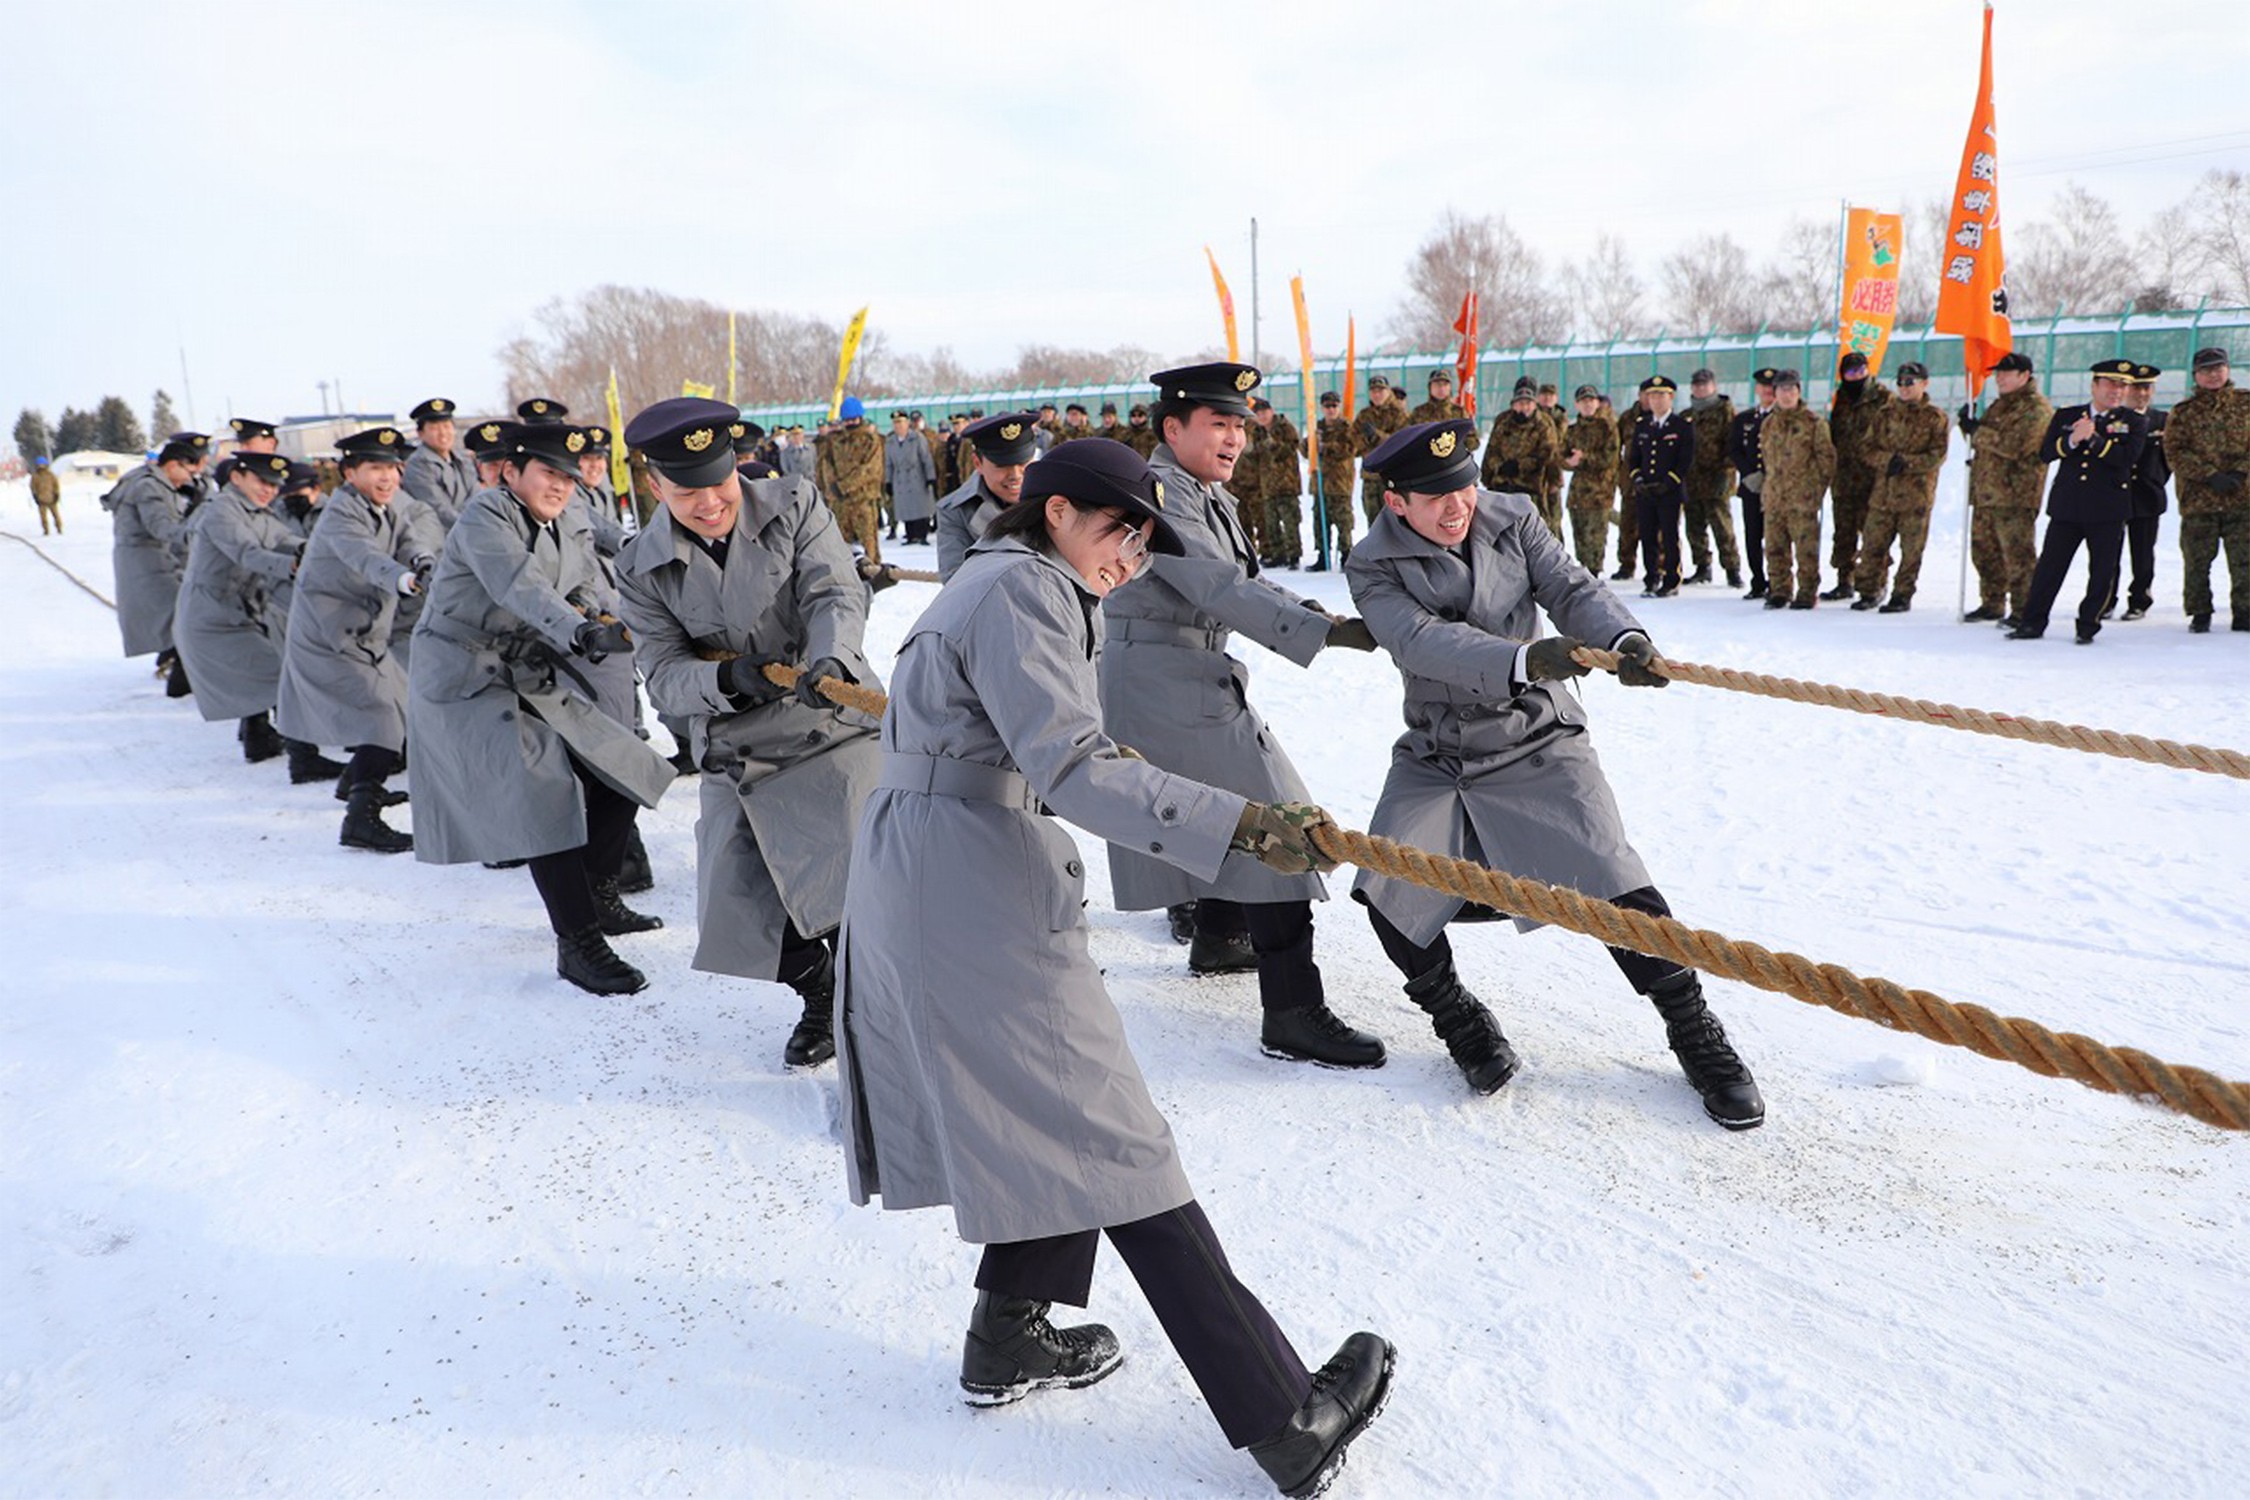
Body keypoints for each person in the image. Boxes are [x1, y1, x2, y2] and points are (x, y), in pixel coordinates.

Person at [837, 438, 1394, 1497]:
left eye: (1145, 540)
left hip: (941, 863)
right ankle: (1285, 1417)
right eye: (1115, 529)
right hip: (965, 877)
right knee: (1110, 1132)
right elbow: (1074, 766)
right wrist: (1242, 826)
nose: (1130, 555)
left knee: (1047, 1110)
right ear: (1053, 513)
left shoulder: (999, 581)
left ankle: (1007, 1337)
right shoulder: (1025, 592)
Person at [1346, 418, 1766, 1129]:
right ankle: (1459, 1017)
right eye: (1435, 497)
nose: (1457, 507)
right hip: (1443, 752)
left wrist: (1624, 638)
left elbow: (1570, 587)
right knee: (1387, 889)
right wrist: (1523, 659)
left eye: (1464, 487)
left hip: (1535, 736)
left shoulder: (1514, 517)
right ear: (1396, 503)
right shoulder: (1372, 564)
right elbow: (1421, 642)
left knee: (1615, 881)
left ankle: (1693, 1030)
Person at [1097, 363, 1386, 1065]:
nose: (1235, 439)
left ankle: (1222, 937)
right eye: (1219, 424)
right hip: (1165, 680)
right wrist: (1324, 634)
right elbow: (1217, 584)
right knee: (1280, 821)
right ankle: (1293, 1012)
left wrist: (1313, 613)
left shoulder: (1200, 491)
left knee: (1222, 802)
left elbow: (1247, 578)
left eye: (1240, 425)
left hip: (1184, 672)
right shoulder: (1160, 491)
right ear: (1174, 428)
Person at [618, 396, 883, 1061]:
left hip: (829, 724)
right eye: (686, 492)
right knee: (742, 910)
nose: (709, 503)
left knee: (853, 889)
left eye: (719, 483)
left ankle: (864, 1011)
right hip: (737, 746)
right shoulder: (639, 566)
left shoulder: (793, 502)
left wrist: (831, 658)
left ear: (737, 466)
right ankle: (818, 987)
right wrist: (730, 681)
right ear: (655, 487)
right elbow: (664, 674)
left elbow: (834, 590)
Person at [407, 420, 674, 992]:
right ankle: (576, 942)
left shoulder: (567, 518)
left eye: (569, 477)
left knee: (623, 764)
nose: (561, 486)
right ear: (511, 472)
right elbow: (520, 587)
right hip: (464, 677)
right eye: (550, 472)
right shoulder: (487, 518)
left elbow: (574, 583)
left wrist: (598, 616)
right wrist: (578, 631)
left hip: (525, 666)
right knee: (540, 790)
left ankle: (600, 894)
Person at [276, 426, 429, 852]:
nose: (388, 478)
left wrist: (424, 560)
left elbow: (408, 538)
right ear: (349, 473)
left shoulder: (384, 504)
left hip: (365, 632)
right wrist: (405, 578)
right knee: (382, 720)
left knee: (399, 708)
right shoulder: (342, 514)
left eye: (393, 467)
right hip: (329, 634)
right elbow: (366, 558)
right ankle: (360, 821)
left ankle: (357, 782)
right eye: (375, 468)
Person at [172, 449, 333, 781]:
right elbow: (248, 553)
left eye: (275, 484)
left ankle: (259, 741)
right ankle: (304, 760)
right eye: (262, 481)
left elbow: (287, 540)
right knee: (279, 675)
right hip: (212, 617)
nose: (269, 490)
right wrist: (292, 565)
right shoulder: (221, 512)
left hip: (238, 611)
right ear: (236, 477)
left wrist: (321, 552)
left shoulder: (257, 511)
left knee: (266, 672)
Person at [2007, 359, 2148, 644]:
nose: (2116, 391)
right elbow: (2046, 453)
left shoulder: (2134, 421)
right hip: (2068, 506)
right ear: (2094, 385)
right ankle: (2032, 621)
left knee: (2102, 571)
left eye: (2123, 386)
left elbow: (2126, 459)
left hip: (2108, 508)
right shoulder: (2067, 415)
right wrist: (2072, 440)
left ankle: (2088, 624)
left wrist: (2094, 440)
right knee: (2049, 568)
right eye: (2110, 383)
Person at [102, 431, 204, 693]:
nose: (190, 478)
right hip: (148, 561)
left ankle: (180, 673)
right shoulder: (150, 486)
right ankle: (181, 682)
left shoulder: (151, 481)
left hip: (151, 558)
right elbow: (162, 527)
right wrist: (199, 535)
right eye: (188, 471)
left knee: (178, 615)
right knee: (184, 612)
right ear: (172, 465)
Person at [1956, 352, 2053, 625]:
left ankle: (2024, 610)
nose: (1999, 378)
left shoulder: (2036, 409)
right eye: (1997, 373)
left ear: (2024, 376)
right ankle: (1992, 602)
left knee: (2017, 557)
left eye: (2006, 373)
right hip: (1987, 492)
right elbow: (1985, 442)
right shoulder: (2000, 405)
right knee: (1985, 551)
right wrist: (1970, 427)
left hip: (2015, 495)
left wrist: (1978, 431)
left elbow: (2015, 446)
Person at [1848, 361, 1950, 612]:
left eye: (1910, 382)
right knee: (1873, 546)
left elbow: (1937, 454)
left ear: (1924, 384)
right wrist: (1886, 461)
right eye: (1901, 382)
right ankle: (1869, 590)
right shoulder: (1885, 414)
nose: (1904, 388)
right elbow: (1867, 447)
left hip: (1915, 496)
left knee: (1911, 551)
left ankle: (1902, 594)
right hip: (1883, 494)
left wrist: (1906, 463)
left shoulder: (1934, 418)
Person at [2163, 346, 2250, 633]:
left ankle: (2245, 611)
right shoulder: (2183, 412)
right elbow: (2175, 452)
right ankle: (2199, 611)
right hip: (2200, 499)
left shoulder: (2246, 403)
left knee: (2245, 560)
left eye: (2218, 368)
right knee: (2197, 560)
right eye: (2206, 370)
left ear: (2228, 370)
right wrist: (2210, 475)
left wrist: (2240, 471)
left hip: (2243, 496)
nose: (2213, 375)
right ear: (2195, 375)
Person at [1759, 370, 1835, 610]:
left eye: (1791, 390)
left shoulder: (1813, 423)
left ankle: (1807, 591)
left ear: (1799, 392)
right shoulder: (1769, 423)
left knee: (1806, 550)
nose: (1787, 394)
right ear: (1775, 393)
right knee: (1774, 547)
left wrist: (1814, 490)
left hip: (1802, 498)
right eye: (1782, 390)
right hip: (1774, 497)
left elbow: (1826, 460)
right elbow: (1767, 459)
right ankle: (1780, 589)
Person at [1822, 351, 1891, 598]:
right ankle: (1844, 581)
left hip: (1872, 478)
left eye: (1861, 371)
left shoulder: (1882, 398)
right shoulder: (1839, 399)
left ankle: (1876, 583)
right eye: (1851, 372)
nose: (1857, 376)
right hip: (1844, 478)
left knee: (1874, 535)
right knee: (1843, 533)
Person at [935, 411, 1036, 581]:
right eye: (1003, 465)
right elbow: (959, 584)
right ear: (977, 463)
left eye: (1023, 463)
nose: (1015, 475)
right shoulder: (956, 511)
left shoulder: (1059, 498)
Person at [1625, 375, 1690, 597]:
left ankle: (1671, 578)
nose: (1656, 400)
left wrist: (1669, 482)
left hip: (1669, 491)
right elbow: (1633, 457)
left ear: (1670, 397)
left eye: (1661, 395)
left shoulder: (1681, 426)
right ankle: (1651, 577)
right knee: (1647, 535)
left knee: (1670, 536)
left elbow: (1685, 459)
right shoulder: (1642, 425)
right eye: (1652, 396)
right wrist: (1638, 479)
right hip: (1646, 492)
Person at [2115, 363, 2170, 621]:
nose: (2141, 393)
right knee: (2108, 553)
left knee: (2143, 553)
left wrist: (2156, 480)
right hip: (2114, 495)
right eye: (2136, 387)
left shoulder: (2163, 421)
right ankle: (2105, 599)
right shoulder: (2114, 419)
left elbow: (2169, 459)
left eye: (2146, 388)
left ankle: (2139, 600)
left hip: (2146, 496)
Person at [1680, 369, 1740, 586]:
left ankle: (1732, 569)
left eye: (1704, 384)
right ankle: (1702, 567)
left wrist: (1726, 470)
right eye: (1696, 385)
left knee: (1722, 527)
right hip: (1692, 479)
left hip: (1716, 478)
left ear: (1714, 386)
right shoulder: (1686, 415)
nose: (1700, 388)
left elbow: (1732, 444)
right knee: (1694, 527)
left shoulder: (1724, 411)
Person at [816, 396, 885, 565]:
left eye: (853, 419)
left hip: (863, 500)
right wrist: (831, 488)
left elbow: (870, 470)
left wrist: (844, 486)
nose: (850, 423)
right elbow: (825, 464)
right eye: (847, 420)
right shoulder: (834, 440)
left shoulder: (870, 440)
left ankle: (873, 577)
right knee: (839, 545)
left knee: (870, 545)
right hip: (839, 502)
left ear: (860, 418)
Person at [1479, 379, 1557, 525]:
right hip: (1502, 487)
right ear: (1513, 404)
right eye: (1521, 403)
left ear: (1535, 405)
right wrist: (1498, 468)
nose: (1525, 407)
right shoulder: (1503, 421)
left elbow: (1547, 453)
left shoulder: (1543, 423)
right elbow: (1492, 450)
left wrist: (1520, 466)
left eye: (1528, 403)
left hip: (1530, 488)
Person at [1729, 369, 1778, 599]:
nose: (1767, 390)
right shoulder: (1744, 419)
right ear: (1757, 389)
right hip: (1751, 486)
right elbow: (1735, 449)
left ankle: (1778, 581)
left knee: (1776, 536)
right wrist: (1749, 474)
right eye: (1763, 385)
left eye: (1771, 385)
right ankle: (1758, 580)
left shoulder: (1783, 417)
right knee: (1752, 535)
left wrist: (1769, 477)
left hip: (1777, 487)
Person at [1560, 384, 1618, 574]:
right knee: (1580, 537)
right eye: (1583, 401)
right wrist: (1570, 461)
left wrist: (1584, 457)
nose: (1587, 405)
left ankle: (1594, 573)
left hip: (1599, 492)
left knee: (1596, 538)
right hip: (1578, 493)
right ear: (1577, 404)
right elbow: (1561, 456)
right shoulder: (1572, 430)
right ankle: (1585, 571)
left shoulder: (1607, 428)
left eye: (1591, 401)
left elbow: (1609, 458)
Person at [401, 397, 479, 529]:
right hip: (438, 539)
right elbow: (437, 508)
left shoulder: (463, 460)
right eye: (434, 428)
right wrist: (471, 526)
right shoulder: (417, 465)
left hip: (469, 532)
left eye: (446, 426)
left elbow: (475, 496)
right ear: (420, 433)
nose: (443, 433)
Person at [1310, 390, 1358, 569]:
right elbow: (1305, 449)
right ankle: (1323, 555)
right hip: (1321, 484)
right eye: (1327, 406)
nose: (1331, 410)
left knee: (1344, 522)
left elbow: (1349, 448)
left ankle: (1346, 554)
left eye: (1334, 406)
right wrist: (1313, 444)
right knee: (1320, 521)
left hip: (1340, 483)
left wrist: (1326, 447)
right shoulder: (1318, 427)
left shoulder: (1346, 426)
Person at [1351, 376, 1407, 524]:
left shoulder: (1398, 414)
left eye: (1381, 390)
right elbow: (1354, 442)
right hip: (1371, 477)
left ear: (1388, 391)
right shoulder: (1364, 415)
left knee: (1396, 523)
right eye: (1373, 391)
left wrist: (1376, 437)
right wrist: (1367, 442)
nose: (1377, 394)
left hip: (1393, 478)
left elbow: (1399, 442)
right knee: (1374, 523)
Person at [885, 408, 940, 545]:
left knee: (920, 507)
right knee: (905, 508)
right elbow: (889, 464)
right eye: (896, 423)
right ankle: (910, 535)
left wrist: (930, 478)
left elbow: (926, 459)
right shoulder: (891, 441)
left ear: (907, 423)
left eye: (901, 422)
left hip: (916, 476)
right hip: (900, 478)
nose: (898, 426)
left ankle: (922, 535)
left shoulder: (917, 438)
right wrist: (888, 481)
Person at [30, 455, 62, 535]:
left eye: (42, 464)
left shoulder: (51, 475)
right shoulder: (35, 476)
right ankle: (46, 530)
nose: (41, 466)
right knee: (43, 517)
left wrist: (56, 495)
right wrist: (35, 496)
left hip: (52, 499)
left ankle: (59, 528)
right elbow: (33, 487)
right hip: (41, 500)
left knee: (56, 515)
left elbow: (56, 485)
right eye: (39, 464)